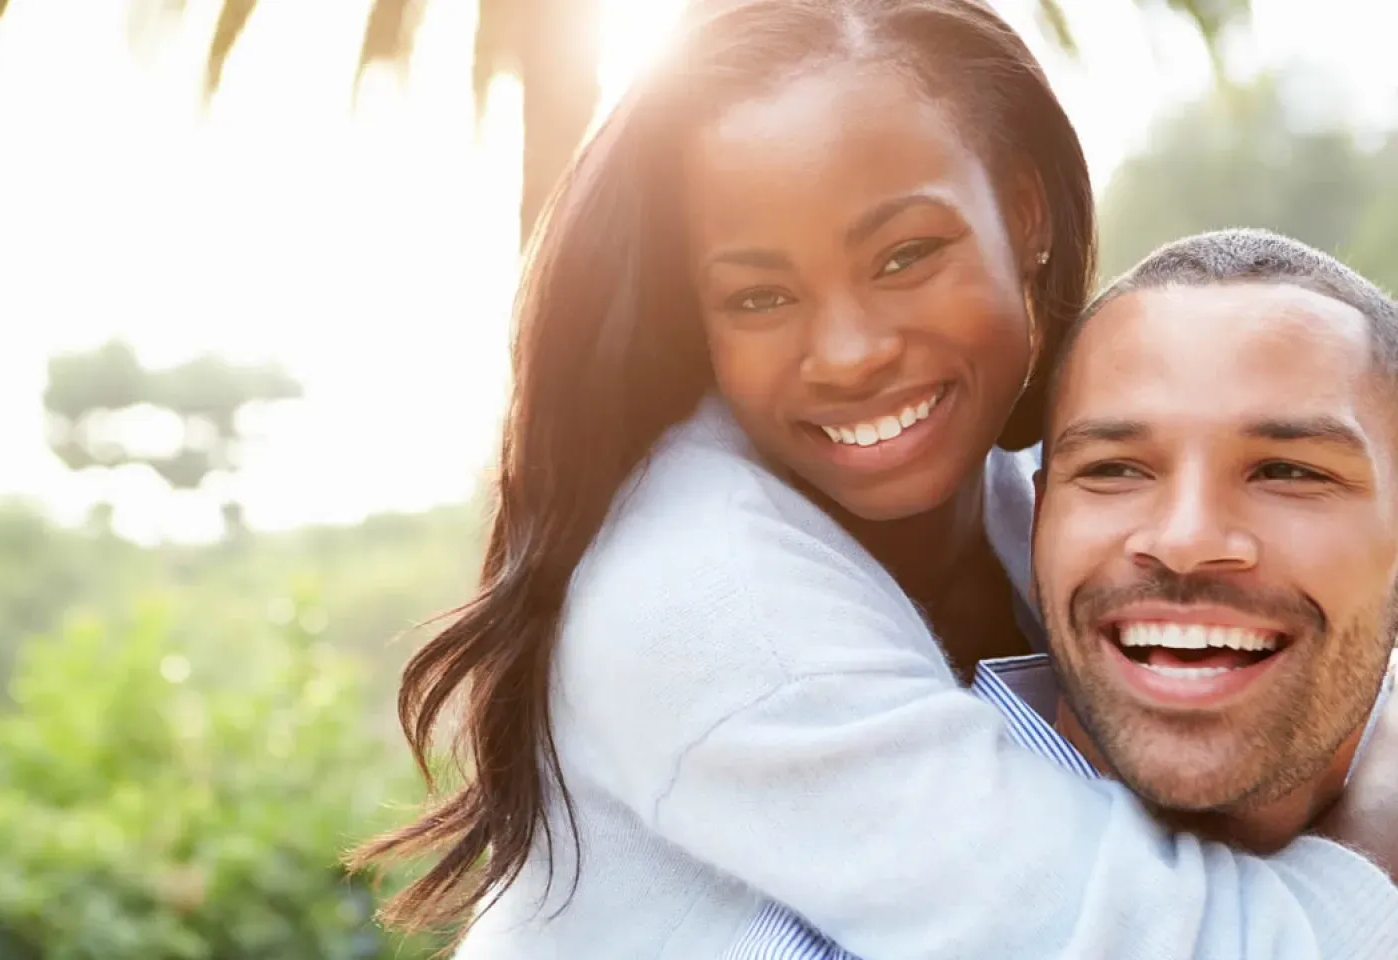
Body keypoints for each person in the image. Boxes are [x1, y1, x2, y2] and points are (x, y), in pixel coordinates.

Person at [352, 1, 1398, 956]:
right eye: (760, 298)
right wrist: (1381, 806)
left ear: (1026, 215)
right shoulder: (708, 596)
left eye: (905, 256)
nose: (849, 354)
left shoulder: (1025, 495)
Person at [727, 228, 1398, 958]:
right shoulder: (844, 931)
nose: (1185, 540)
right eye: (1115, 469)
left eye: (1288, 473)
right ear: (1040, 519)